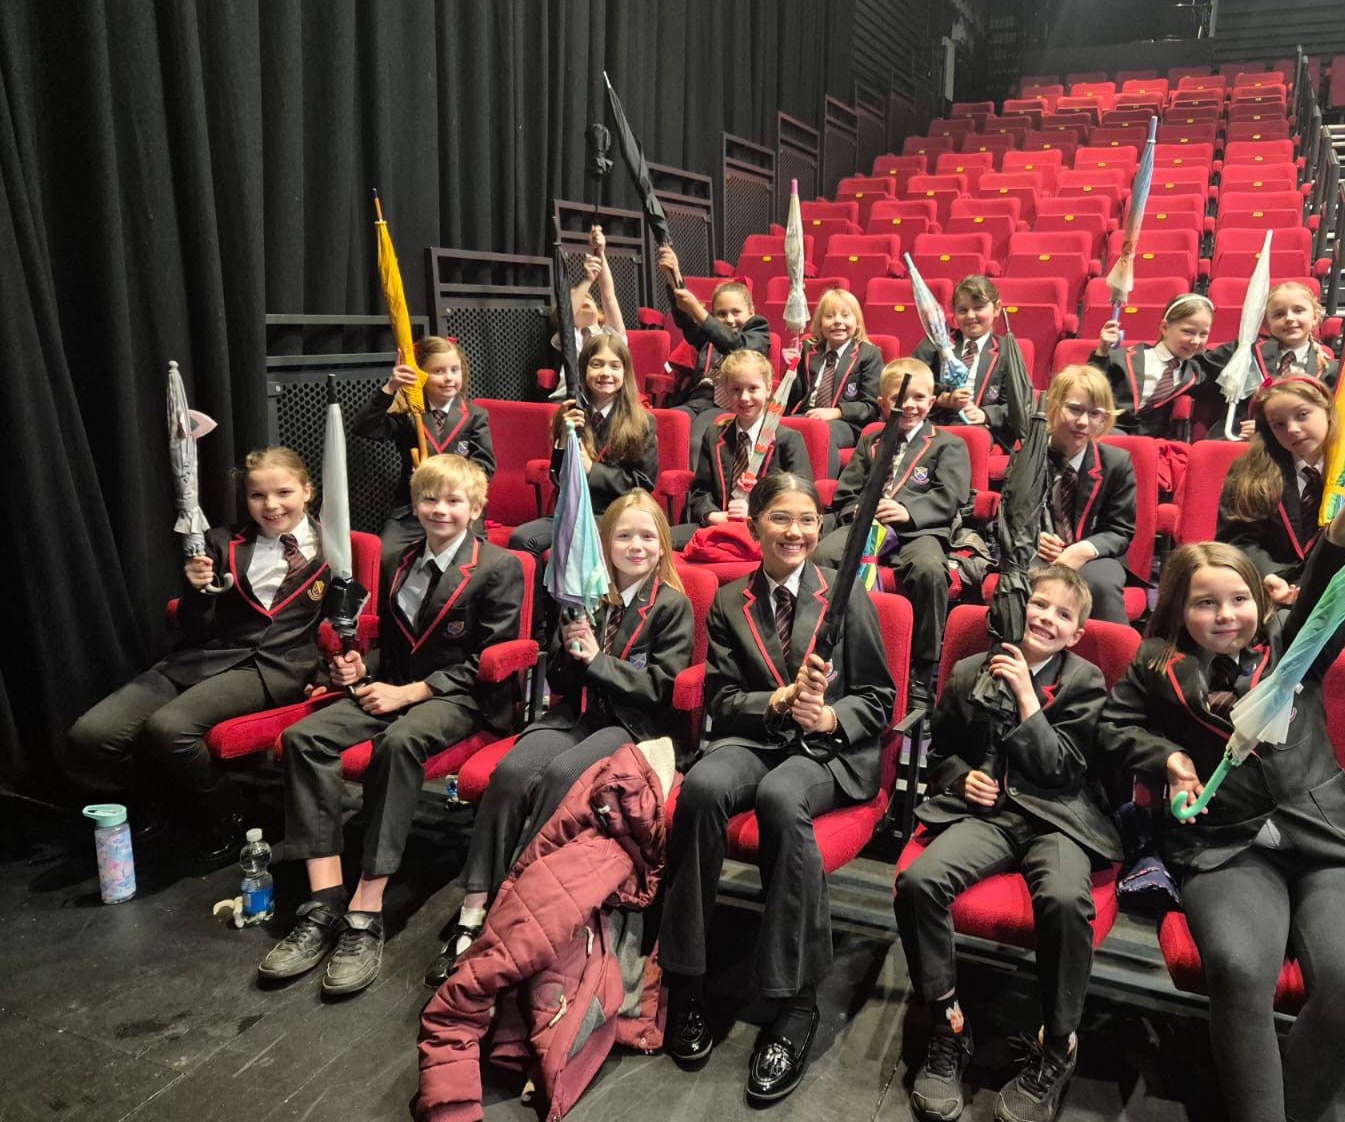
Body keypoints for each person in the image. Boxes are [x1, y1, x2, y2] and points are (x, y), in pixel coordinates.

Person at [1097, 452, 1345, 1122]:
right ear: (1180, 609)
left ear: (1260, 599)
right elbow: (1115, 727)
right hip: (1224, 844)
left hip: (1326, 838)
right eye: (1205, 603)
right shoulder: (1156, 663)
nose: (1226, 615)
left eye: (1238, 600)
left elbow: (1327, 583)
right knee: (1240, 971)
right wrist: (1169, 758)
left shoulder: (1294, 649)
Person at [658, 473, 894, 1103]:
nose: (796, 532)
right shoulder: (729, 601)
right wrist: (778, 700)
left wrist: (830, 715)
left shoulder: (846, 594)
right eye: (782, 518)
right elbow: (722, 699)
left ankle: (795, 1002)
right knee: (702, 787)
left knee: (780, 797)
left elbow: (881, 698)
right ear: (755, 525)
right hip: (759, 737)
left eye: (808, 520)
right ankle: (685, 978)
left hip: (827, 751)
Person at [259, 454, 523, 996]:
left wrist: (413, 692)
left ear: (475, 509)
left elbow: (491, 658)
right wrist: (363, 668)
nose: (440, 509)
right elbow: (396, 648)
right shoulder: (401, 560)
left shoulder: (500, 566)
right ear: (415, 505)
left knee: (400, 741)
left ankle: (366, 908)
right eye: (429, 499)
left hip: (461, 696)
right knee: (304, 738)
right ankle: (324, 900)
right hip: (396, 685)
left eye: (453, 501)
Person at [426, 490, 693, 987]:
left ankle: (515, 907)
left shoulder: (671, 606)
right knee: (511, 773)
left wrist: (598, 661)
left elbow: (661, 689)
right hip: (575, 715)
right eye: (624, 536)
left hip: (631, 726)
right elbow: (561, 682)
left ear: (662, 544)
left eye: (647, 536)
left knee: (562, 775)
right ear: (604, 544)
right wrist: (570, 649)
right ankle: (473, 907)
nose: (636, 546)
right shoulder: (584, 598)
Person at [896, 566, 1120, 1122]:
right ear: (1020, 607)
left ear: (1075, 634)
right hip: (991, 816)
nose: (1046, 617)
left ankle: (1057, 1044)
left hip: (1058, 818)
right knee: (919, 882)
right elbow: (942, 752)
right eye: (1039, 604)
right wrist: (961, 778)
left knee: (1065, 900)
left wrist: (1026, 695)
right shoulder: (970, 670)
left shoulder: (1085, 680)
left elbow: (1063, 768)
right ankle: (947, 1027)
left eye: (1062, 614)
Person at [66, 447, 326, 860]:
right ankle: (161, 800)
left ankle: (226, 811)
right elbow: (195, 626)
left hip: (273, 668)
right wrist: (196, 591)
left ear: (307, 491)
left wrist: (328, 674)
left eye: (283, 492)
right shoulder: (221, 542)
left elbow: (346, 622)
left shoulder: (334, 546)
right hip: (204, 656)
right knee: (91, 736)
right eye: (257, 495)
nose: (271, 505)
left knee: (170, 728)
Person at [813, 358, 971, 711]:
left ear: (932, 402)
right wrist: (859, 510)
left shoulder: (948, 444)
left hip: (918, 531)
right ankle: (828, 647)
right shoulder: (871, 440)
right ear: (883, 404)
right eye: (900, 398)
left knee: (930, 570)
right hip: (866, 527)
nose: (909, 406)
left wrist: (908, 511)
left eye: (919, 398)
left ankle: (922, 671)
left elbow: (951, 495)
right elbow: (846, 493)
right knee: (821, 557)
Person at [508, 333, 657, 557]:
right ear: (583, 370)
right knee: (522, 539)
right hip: (573, 510)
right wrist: (564, 437)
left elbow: (643, 484)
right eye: (596, 365)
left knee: (575, 545)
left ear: (625, 373)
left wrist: (592, 470)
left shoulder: (642, 421)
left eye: (614, 366)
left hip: (616, 514)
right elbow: (558, 477)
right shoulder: (571, 413)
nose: (605, 373)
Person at [353, 335, 495, 553]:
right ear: (419, 374)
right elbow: (365, 427)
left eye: (454, 370)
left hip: (459, 509)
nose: (449, 378)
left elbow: (485, 466)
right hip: (412, 511)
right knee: (386, 556)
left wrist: (449, 478)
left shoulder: (476, 416)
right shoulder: (408, 415)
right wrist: (391, 387)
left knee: (466, 558)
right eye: (438, 371)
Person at [1216, 376, 1344, 604]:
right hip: (1265, 590)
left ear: (1327, 410)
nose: (1292, 429)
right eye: (1279, 425)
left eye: (1302, 414)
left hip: (1333, 594)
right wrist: (1268, 576)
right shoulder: (1251, 472)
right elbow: (1237, 541)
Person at [675, 350, 812, 549]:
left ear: (768, 389)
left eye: (753, 388)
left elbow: (802, 498)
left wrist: (755, 513)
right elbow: (701, 490)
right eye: (736, 390)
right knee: (661, 539)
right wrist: (712, 515)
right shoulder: (714, 435)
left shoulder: (788, 439)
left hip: (765, 531)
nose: (744, 397)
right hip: (719, 525)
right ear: (726, 391)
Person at [1037, 365, 1139, 624]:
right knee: (1025, 582)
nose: (1083, 422)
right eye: (1074, 409)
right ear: (1054, 405)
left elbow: (1120, 531)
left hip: (1094, 554)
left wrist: (1082, 550)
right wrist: (1034, 538)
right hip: (1037, 553)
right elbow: (1010, 519)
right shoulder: (1028, 456)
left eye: (1095, 413)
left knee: (1102, 585)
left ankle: (1115, 651)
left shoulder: (1116, 463)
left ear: (1104, 419)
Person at [659, 246, 771, 461]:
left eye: (736, 312)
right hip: (696, 399)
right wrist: (674, 276)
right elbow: (686, 321)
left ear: (751, 312)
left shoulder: (758, 330)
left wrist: (699, 312)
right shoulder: (710, 333)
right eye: (721, 314)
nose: (729, 320)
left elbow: (735, 345)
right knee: (663, 427)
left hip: (727, 403)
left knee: (697, 440)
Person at [1199, 280, 1339, 437]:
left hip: (1298, 443)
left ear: (1315, 317)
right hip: (1238, 438)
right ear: (1266, 323)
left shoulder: (1329, 370)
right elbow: (1200, 368)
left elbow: (1330, 420)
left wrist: (1267, 429)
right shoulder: (1245, 350)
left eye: (1298, 311)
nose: (1289, 318)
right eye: (1279, 314)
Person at [781, 287, 883, 474]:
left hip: (846, 423)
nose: (838, 321)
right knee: (775, 427)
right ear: (820, 324)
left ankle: (822, 487)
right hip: (807, 415)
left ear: (857, 322)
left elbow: (871, 406)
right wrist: (791, 370)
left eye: (845, 315)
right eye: (829, 316)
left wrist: (836, 412)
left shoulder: (868, 354)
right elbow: (794, 399)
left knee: (822, 433)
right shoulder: (808, 349)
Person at [1090, 291, 1211, 438]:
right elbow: (1089, 389)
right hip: (1107, 432)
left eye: (1203, 334)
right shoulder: (1121, 357)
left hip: (1150, 443)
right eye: (1188, 332)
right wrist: (1102, 352)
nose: (1196, 341)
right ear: (1165, 328)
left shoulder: (1195, 374)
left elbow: (1232, 351)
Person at [912, 274, 1012, 444]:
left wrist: (985, 414)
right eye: (963, 310)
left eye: (978, 308)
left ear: (996, 309)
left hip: (979, 429)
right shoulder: (935, 344)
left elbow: (1019, 404)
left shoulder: (1007, 351)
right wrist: (944, 399)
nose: (970, 316)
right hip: (935, 421)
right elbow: (910, 385)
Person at [551, 225, 628, 399]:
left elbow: (609, 295)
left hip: (606, 397)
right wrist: (587, 280)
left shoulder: (610, 335)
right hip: (569, 397)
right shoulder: (570, 336)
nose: (584, 300)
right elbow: (566, 316)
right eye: (579, 299)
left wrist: (600, 252)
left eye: (588, 297)